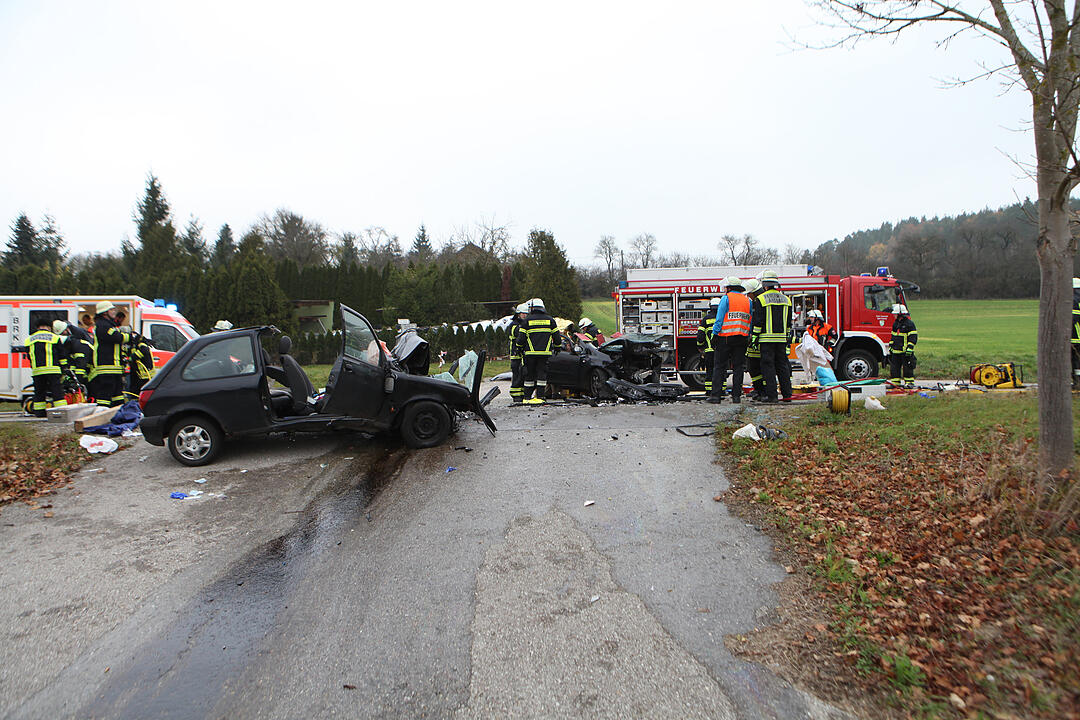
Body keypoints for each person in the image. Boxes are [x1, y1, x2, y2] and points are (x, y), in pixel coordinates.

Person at [751, 271, 793, 403]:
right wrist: (786, 336)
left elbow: (758, 321)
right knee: (782, 366)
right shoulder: (786, 299)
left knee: (768, 366)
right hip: (781, 339)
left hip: (766, 340)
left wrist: (754, 337)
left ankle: (772, 396)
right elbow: (788, 321)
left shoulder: (761, 299)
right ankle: (787, 395)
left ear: (765, 285)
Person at [710, 277, 752, 403]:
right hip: (742, 338)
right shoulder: (748, 300)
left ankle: (716, 396)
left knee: (719, 367)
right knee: (738, 368)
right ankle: (736, 396)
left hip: (725, 338)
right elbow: (750, 319)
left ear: (728, 288)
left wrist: (714, 334)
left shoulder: (726, 298)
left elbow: (720, 318)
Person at [88, 300, 130, 407]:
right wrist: (131, 337)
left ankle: (118, 411)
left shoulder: (109, 325)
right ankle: (102, 412)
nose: (114, 311)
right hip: (106, 365)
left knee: (117, 393)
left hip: (113, 365)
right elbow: (116, 337)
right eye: (111, 309)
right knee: (106, 392)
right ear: (104, 312)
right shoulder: (103, 325)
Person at [517, 298, 558, 405]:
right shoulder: (550, 320)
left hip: (530, 354)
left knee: (529, 375)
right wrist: (557, 347)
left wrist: (519, 348)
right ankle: (540, 397)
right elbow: (557, 338)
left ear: (532, 308)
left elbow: (521, 339)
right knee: (541, 375)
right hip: (544, 354)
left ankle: (526, 397)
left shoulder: (527, 321)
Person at [26, 318, 69, 417]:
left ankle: (39, 413)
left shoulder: (29, 339)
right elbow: (61, 355)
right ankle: (60, 413)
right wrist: (64, 367)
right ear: (49, 327)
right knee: (57, 392)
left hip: (37, 371)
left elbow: (29, 356)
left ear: (37, 327)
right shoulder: (54, 337)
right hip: (53, 370)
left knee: (39, 393)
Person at [741, 279, 767, 400]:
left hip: (758, 340)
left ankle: (763, 391)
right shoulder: (757, 302)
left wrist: (753, 336)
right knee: (754, 366)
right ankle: (759, 390)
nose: (748, 297)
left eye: (749, 294)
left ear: (753, 292)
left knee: (759, 367)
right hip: (756, 340)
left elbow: (757, 321)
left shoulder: (759, 302)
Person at [889, 304, 918, 388]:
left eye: (895, 314)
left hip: (905, 351)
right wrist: (891, 346)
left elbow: (913, 337)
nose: (894, 315)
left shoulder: (909, 324)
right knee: (894, 368)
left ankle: (909, 383)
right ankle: (895, 383)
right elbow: (893, 336)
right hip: (896, 351)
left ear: (900, 314)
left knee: (907, 367)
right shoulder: (895, 324)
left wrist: (910, 348)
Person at [696, 298, 721, 395]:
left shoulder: (706, 319)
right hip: (721, 351)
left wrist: (700, 347)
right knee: (720, 371)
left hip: (709, 351)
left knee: (710, 371)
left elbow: (700, 336)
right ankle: (721, 390)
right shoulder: (723, 318)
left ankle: (709, 391)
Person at [508, 303, 529, 404]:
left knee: (524, 374)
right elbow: (517, 335)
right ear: (518, 314)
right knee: (517, 374)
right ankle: (516, 396)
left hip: (523, 354)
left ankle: (523, 394)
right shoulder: (514, 325)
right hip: (516, 355)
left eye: (526, 313)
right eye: (523, 313)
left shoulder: (524, 324)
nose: (525, 315)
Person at [64, 320, 94, 387]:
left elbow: (81, 365)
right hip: (87, 370)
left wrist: (78, 381)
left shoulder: (79, 345)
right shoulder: (72, 344)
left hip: (92, 373)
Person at [1072, 278, 1080, 389]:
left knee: (1075, 359)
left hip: (1076, 336)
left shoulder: (1073, 299)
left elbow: (1073, 319)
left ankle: (1077, 382)